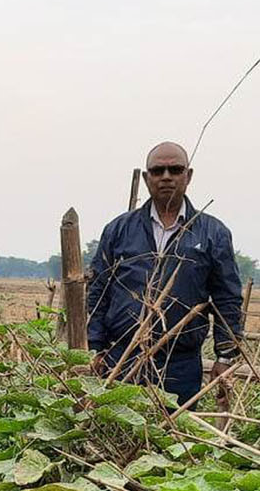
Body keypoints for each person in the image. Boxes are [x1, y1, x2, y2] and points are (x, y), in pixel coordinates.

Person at [86, 142, 243, 405]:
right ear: (147, 179)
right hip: (120, 358)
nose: (166, 177)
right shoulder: (118, 230)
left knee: (175, 439)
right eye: (158, 171)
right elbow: (98, 293)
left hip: (180, 365)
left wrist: (226, 356)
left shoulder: (213, 233)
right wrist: (94, 348)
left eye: (175, 169)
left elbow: (227, 299)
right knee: (117, 435)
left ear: (188, 175)